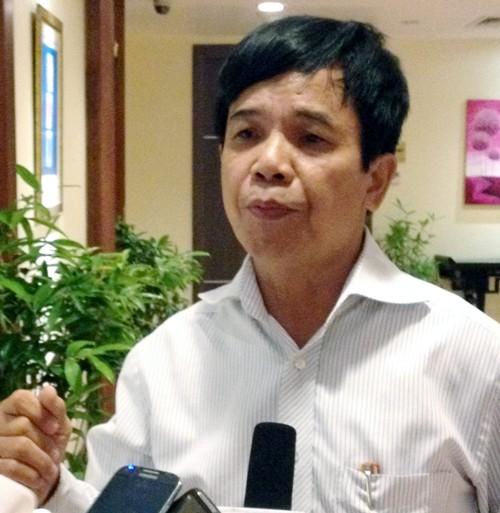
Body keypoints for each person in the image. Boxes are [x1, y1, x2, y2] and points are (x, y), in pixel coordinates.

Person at [1, 15, 499, 513]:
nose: (269, 163)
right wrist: (51, 486)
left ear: (377, 179)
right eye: (247, 134)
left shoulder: (476, 360)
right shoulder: (162, 364)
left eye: (311, 138)